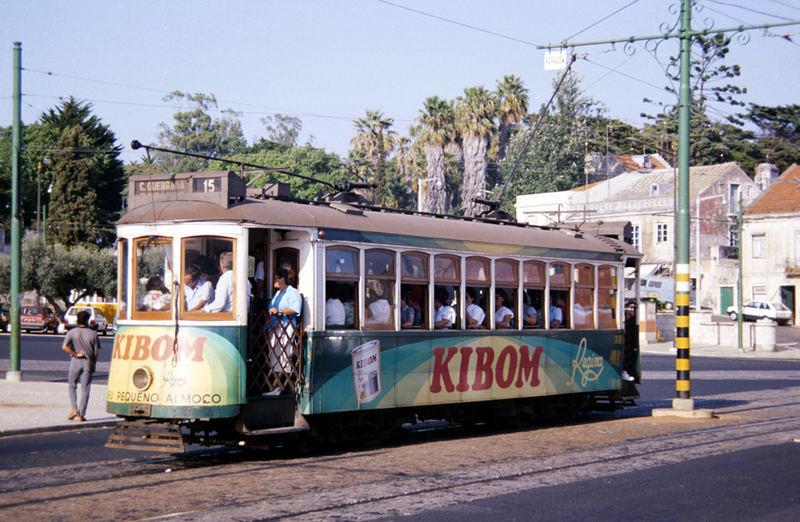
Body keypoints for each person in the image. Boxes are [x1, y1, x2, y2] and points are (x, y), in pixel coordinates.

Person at [267, 267, 303, 392]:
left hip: (285, 327)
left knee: (282, 356)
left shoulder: (293, 293)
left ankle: (278, 387)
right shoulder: (277, 293)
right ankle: (275, 387)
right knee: (274, 356)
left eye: (276, 277)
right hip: (274, 327)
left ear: (282, 279)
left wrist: (280, 311)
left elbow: (295, 309)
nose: (274, 280)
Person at [62, 310, 101, 422]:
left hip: (75, 361)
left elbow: (64, 346)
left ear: (77, 319)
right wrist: (94, 364)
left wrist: (75, 354)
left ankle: (74, 408)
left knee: (72, 385)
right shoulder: (93, 334)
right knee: (85, 388)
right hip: (88, 362)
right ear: (88, 320)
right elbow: (95, 352)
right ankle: (81, 414)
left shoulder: (72, 332)